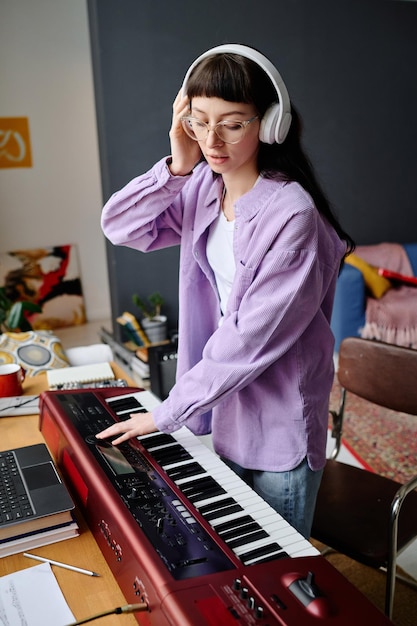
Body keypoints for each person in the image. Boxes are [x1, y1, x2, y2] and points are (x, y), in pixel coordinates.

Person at [97, 44, 354, 539]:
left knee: (274, 568)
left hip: (278, 422)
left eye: (232, 124)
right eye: (199, 120)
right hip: (220, 408)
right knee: (226, 554)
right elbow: (120, 226)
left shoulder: (291, 215)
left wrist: (167, 412)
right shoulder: (200, 188)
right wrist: (176, 164)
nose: (212, 140)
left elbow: (249, 339)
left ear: (270, 124)